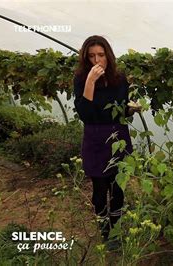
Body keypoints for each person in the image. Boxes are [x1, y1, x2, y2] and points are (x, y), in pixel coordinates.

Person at [73, 35, 140, 246]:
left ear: (108, 56)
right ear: (86, 58)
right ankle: (103, 226)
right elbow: (85, 113)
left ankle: (116, 231)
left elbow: (122, 111)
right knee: (100, 190)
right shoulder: (81, 79)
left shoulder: (119, 79)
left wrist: (132, 109)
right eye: (91, 56)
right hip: (95, 139)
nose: (97, 60)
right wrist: (90, 81)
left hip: (118, 136)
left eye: (101, 55)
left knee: (118, 188)